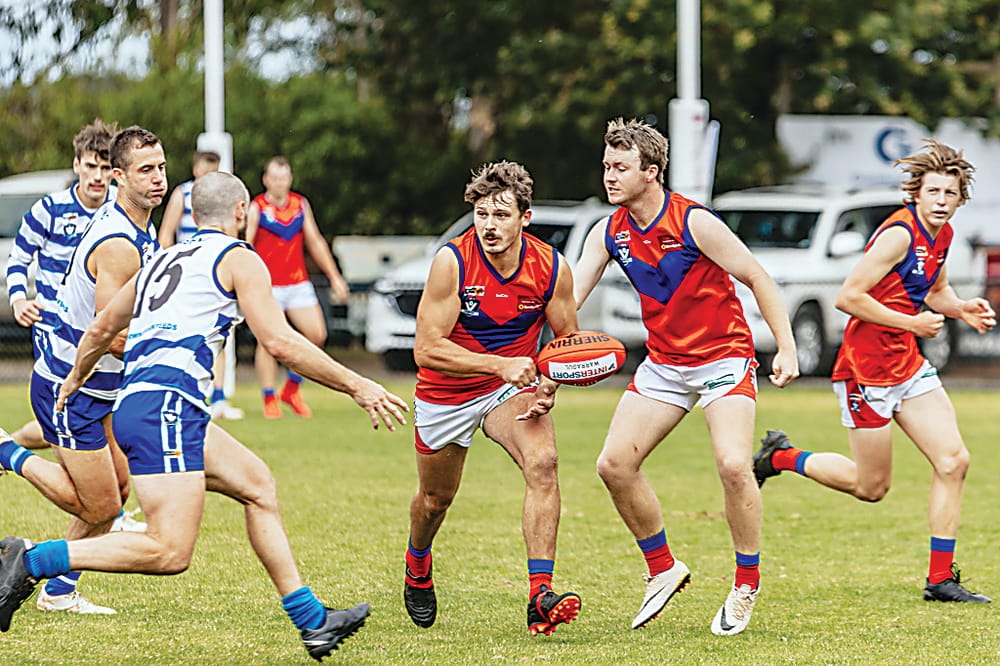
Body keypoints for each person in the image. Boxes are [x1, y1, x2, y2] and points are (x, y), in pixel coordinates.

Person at [0, 171, 409, 662]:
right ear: (242, 213)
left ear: (193, 215)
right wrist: (358, 385)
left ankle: (312, 622)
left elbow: (102, 326)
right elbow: (279, 342)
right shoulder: (240, 258)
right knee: (169, 551)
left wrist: (72, 380)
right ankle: (32, 559)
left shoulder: (161, 257)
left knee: (258, 486)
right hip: (166, 408)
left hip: (152, 404)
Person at [572, 118, 799, 636]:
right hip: (665, 365)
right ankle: (663, 568)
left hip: (724, 358)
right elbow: (568, 300)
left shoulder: (694, 222)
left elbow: (757, 276)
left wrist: (785, 346)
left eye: (620, 168)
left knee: (734, 464)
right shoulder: (607, 231)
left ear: (651, 172)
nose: (608, 176)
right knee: (613, 466)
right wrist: (546, 368)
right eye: (606, 166)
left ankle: (745, 584)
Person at [753, 139, 993, 603]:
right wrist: (914, 323)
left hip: (907, 364)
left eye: (950, 194)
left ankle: (940, 578)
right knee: (871, 487)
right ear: (916, 195)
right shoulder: (898, 234)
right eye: (934, 193)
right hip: (866, 371)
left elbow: (934, 289)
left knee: (953, 461)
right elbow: (849, 297)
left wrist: (961, 308)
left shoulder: (941, 235)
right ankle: (781, 457)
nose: (941, 202)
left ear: (961, 199)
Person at [404, 161, 582, 636]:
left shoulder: (551, 267)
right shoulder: (453, 261)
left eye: (501, 215)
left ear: (526, 217)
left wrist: (549, 383)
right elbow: (426, 349)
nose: (489, 225)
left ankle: (540, 596)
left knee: (543, 462)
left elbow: (566, 340)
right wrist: (500, 364)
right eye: (482, 214)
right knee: (436, 499)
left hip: (510, 389)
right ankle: (417, 562)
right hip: (446, 392)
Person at [0, 125, 165, 615]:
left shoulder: (140, 224)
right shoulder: (119, 245)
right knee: (100, 507)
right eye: (145, 170)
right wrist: (171, 342)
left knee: (117, 489)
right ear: (119, 176)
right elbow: (110, 332)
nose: (158, 178)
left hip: (102, 384)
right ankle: (8, 451)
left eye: (160, 167)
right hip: (74, 385)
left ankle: (58, 590)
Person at [5, 119, 117, 452]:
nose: (97, 176)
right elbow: (19, 257)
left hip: (99, 330)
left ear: (115, 171)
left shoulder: (119, 211)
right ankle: (93, 496)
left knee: (89, 414)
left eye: (106, 167)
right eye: (91, 166)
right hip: (53, 325)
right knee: (66, 412)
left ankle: (6, 448)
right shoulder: (50, 209)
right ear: (77, 165)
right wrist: (18, 299)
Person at [245, 156, 349, 420]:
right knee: (267, 342)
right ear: (266, 180)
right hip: (267, 285)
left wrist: (335, 277)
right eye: (275, 177)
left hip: (297, 281)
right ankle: (269, 397)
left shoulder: (299, 204)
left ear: (290, 179)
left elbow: (315, 242)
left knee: (317, 334)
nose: (280, 182)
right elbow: (245, 245)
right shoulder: (257, 207)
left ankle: (291, 389)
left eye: (284, 177)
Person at [158, 149, 243, 421]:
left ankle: (218, 396)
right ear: (195, 170)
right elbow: (166, 234)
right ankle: (184, 390)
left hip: (215, 271)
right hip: (188, 272)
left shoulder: (225, 198)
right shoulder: (182, 194)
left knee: (220, 331)